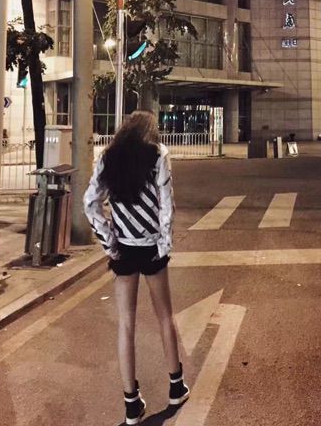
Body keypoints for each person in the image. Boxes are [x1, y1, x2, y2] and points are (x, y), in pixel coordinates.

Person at [84, 110, 189, 425]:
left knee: (126, 325)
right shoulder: (158, 154)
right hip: (152, 248)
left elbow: (90, 203)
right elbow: (167, 205)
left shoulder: (109, 157)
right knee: (165, 317)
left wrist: (110, 243)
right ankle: (176, 387)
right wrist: (163, 245)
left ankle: (131, 404)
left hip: (124, 250)